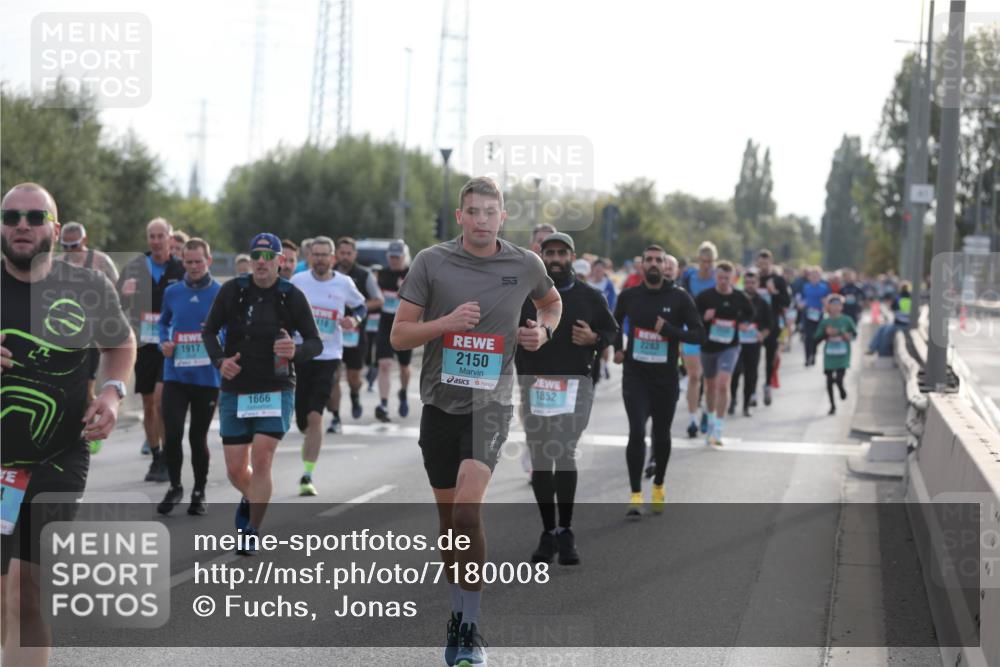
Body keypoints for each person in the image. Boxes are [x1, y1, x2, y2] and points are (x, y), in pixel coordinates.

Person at [391, 176, 561, 667]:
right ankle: (458, 611)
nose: (482, 220)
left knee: (467, 512)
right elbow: (400, 337)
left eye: (491, 211)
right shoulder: (431, 261)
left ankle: (469, 628)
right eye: (474, 211)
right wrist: (445, 325)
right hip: (438, 404)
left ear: (502, 217)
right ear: (460, 216)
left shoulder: (524, 263)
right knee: (449, 525)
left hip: (491, 403)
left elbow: (551, 303)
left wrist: (541, 333)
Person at [1, 183, 135, 666]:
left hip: (59, 454)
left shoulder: (85, 287)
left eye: (35, 217)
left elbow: (121, 345)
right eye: (12, 215)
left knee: (25, 591)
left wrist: (112, 392)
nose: (22, 224)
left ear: (55, 230)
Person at [201, 233, 322, 554]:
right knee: (235, 468)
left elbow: (315, 342)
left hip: (276, 386)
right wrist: (219, 361)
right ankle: (253, 495)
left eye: (269, 256)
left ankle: (251, 529)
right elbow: (209, 331)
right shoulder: (233, 291)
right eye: (256, 254)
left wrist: (295, 350)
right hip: (236, 387)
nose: (261, 261)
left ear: (280, 261)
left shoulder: (291, 296)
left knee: (262, 458)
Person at [518, 232, 617, 564]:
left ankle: (567, 530)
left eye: (562, 253)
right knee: (542, 458)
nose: (556, 259)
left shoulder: (590, 297)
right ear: (541, 256)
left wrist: (594, 337)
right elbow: (504, 330)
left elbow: (612, 331)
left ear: (572, 257)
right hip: (536, 384)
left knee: (563, 450)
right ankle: (548, 532)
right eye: (550, 253)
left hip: (575, 385)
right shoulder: (524, 296)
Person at [613, 246, 703, 518]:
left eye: (658, 260)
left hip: (665, 378)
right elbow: (614, 324)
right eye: (648, 260)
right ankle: (635, 495)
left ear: (666, 266)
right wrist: (617, 348)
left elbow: (699, 335)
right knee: (637, 432)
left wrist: (671, 330)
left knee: (661, 435)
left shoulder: (679, 298)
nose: (653, 264)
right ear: (642, 265)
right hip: (635, 375)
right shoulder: (630, 296)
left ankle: (659, 484)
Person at [291, 236, 365, 495]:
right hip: (301, 354)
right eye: (316, 254)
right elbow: (284, 307)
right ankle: (308, 435)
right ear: (309, 256)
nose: (321, 259)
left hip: (329, 355)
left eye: (325, 255)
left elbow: (361, 306)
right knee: (302, 419)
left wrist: (353, 320)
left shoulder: (344, 283)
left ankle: (307, 475)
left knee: (315, 416)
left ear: (333, 258)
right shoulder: (298, 281)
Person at [156, 238, 222, 515]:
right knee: (171, 434)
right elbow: (163, 323)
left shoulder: (221, 292)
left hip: (207, 377)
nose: (194, 267)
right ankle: (175, 486)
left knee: (198, 438)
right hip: (176, 374)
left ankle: (199, 490)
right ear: (182, 261)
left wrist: (217, 337)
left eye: (199, 261)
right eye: (189, 262)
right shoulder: (173, 292)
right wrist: (164, 343)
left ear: (208, 261)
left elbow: (231, 329)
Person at [117, 218, 185, 481]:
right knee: (148, 403)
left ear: (170, 238)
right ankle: (156, 456)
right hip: (144, 344)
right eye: (152, 236)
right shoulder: (134, 268)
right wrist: (124, 293)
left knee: (160, 399)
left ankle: (168, 456)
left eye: (161, 236)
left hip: (169, 347)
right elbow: (114, 303)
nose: (156, 241)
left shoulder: (180, 269)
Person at [55, 221, 120, 451]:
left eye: (74, 245)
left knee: (87, 389)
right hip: (62, 334)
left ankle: (90, 432)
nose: (70, 251)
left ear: (84, 241)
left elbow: (116, 293)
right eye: (65, 246)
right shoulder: (58, 263)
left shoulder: (100, 262)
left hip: (91, 336)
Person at [695, 260, 755, 446]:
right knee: (710, 386)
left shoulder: (740, 297)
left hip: (730, 346)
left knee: (723, 384)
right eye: (720, 277)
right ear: (715, 276)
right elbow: (693, 317)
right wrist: (703, 318)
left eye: (727, 278)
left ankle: (719, 427)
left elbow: (750, 313)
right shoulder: (705, 297)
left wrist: (744, 324)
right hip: (708, 347)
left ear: (733, 279)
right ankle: (711, 420)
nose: (723, 281)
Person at [330, 237, 383, 430]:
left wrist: (356, 308)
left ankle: (354, 395)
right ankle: (336, 417)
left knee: (353, 378)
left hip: (356, 333)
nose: (345, 257)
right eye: (341, 253)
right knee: (333, 377)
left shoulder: (364, 275)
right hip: (332, 335)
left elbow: (379, 300)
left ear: (355, 255)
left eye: (348, 253)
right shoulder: (330, 273)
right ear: (336, 254)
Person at [680, 241, 718, 438]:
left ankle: (707, 412)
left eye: (710, 261)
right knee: (694, 376)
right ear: (698, 260)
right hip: (692, 331)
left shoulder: (718, 279)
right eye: (704, 261)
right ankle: (692, 420)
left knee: (710, 379)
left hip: (714, 334)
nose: (707, 265)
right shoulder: (688, 277)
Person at [374, 241, 412, 422]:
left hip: (406, 324)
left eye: (398, 257)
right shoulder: (381, 273)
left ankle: (403, 392)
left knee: (404, 368)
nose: (395, 260)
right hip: (386, 323)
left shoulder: (412, 273)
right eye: (392, 257)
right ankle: (383, 404)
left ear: (405, 257)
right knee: (385, 364)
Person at [728, 270, 773, 417]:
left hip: (753, 344)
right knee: (734, 373)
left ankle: (746, 405)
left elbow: (769, 325)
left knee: (751, 375)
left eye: (753, 283)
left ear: (758, 283)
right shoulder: (736, 299)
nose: (750, 285)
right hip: (736, 343)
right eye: (747, 282)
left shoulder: (763, 303)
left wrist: (762, 334)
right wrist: (737, 326)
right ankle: (732, 400)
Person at [754, 249, 790, 406]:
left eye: (766, 264)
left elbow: (787, 302)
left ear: (771, 263)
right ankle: (751, 391)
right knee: (752, 360)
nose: (763, 267)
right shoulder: (753, 279)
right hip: (754, 325)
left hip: (772, 324)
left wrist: (773, 292)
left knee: (770, 357)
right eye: (760, 264)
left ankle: (767, 384)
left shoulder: (778, 280)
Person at [815, 294, 857, 415]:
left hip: (843, 354)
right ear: (828, 307)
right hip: (829, 354)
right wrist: (826, 334)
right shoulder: (825, 321)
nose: (834, 308)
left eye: (837, 305)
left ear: (841, 307)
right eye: (832, 305)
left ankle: (841, 389)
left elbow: (854, 334)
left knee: (839, 378)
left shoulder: (847, 320)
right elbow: (816, 338)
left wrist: (845, 335)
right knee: (828, 380)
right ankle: (832, 405)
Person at [586, 258, 617, 380]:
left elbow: (613, 302)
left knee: (604, 345)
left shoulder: (608, 284)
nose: (598, 271)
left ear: (604, 270)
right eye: (596, 269)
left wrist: (609, 316)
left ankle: (604, 365)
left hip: (603, 318)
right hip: (589, 318)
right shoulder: (587, 282)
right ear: (592, 269)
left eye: (601, 269)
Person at [798, 267, 831, 366]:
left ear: (820, 277)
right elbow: (800, 298)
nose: (814, 278)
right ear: (809, 277)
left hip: (819, 314)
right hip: (807, 313)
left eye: (816, 276)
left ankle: (813, 353)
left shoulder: (824, 288)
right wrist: (801, 303)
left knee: (817, 336)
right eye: (812, 276)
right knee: (808, 337)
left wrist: (826, 304)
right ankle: (808, 357)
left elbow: (828, 300)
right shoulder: (805, 287)